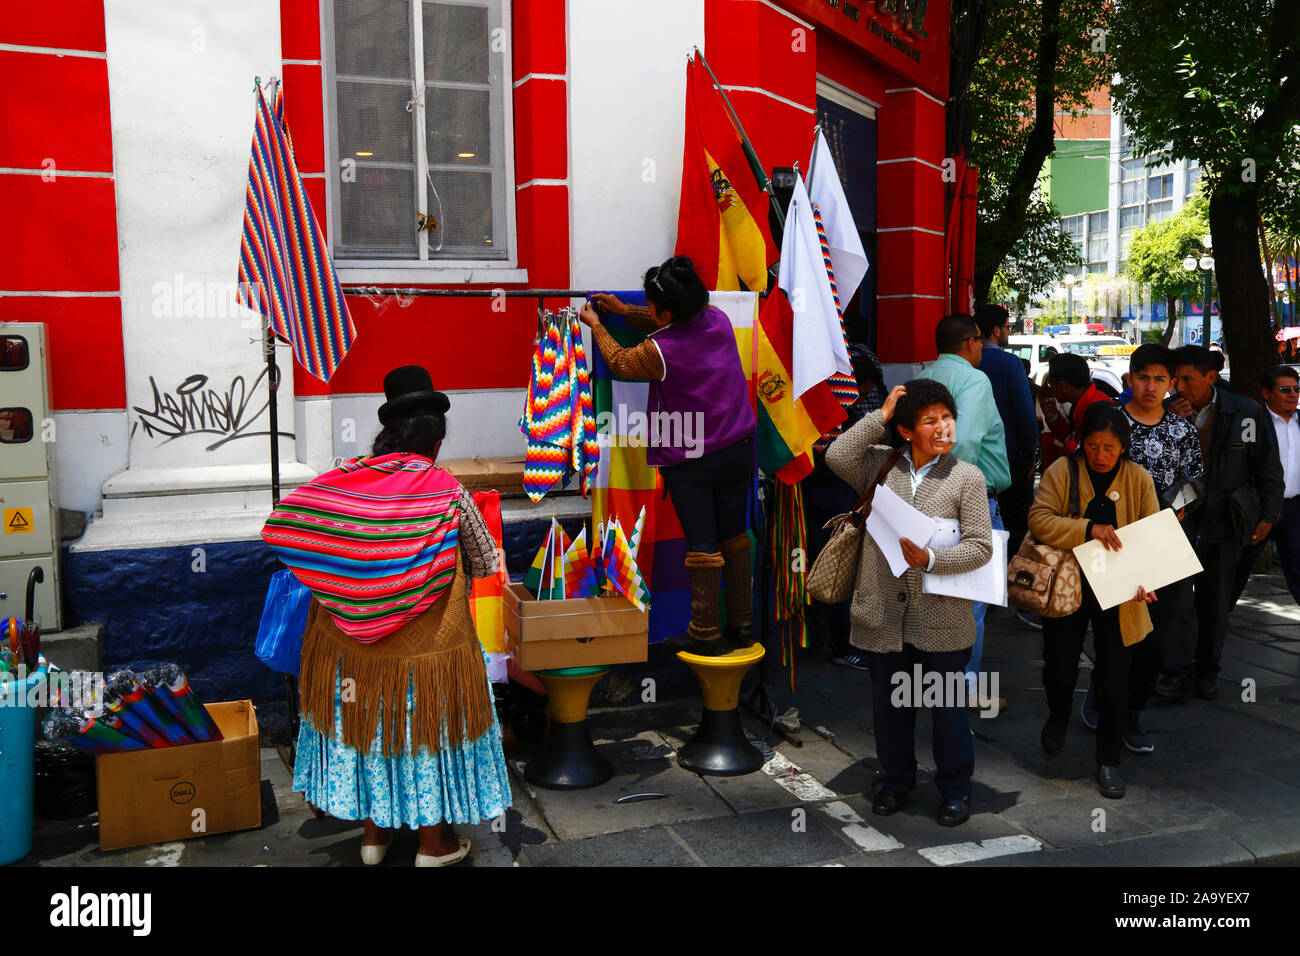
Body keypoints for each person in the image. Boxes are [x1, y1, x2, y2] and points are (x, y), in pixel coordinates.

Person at [263, 366, 511, 866]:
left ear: (387, 436)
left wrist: (352, 582)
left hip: (353, 651)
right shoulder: (446, 490)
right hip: (428, 650)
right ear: (435, 442)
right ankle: (431, 845)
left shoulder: (344, 480)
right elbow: (485, 561)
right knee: (426, 735)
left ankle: (373, 840)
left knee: (371, 730)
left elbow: (285, 525)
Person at [826, 379, 993, 827]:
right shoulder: (881, 465)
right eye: (930, 420)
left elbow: (981, 547)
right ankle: (895, 781)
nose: (944, 427)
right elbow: (836, 455)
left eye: (947, 417)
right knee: (891, 706)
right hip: (884, 612)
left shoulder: (966, 477)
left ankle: (956, 790)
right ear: (906, 431)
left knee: (948, 709)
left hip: (942, 617)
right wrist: (879, 417)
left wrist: (933, 559)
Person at [583, 256, 757, 657]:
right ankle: (743, 625)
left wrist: (597, 326)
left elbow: (623, 362)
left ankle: (704, 631)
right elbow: (668, 322)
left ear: (666, 312)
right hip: (737, 448)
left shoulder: (662, 350)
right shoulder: (718, 319)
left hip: (692, 456)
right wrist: (627, 311)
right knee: (734, 537)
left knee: (702, 544)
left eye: (652, 306)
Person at [1029, 403, 1161, 799]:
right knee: (1059, 668)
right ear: (1081, 443)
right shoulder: (1062, 471)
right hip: (1068, 584)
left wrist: (1148, 579)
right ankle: (1057, 715)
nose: (1101, 456)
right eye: (1093, 446)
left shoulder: (1139, 478)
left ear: (1123, 448)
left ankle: (1108, 761)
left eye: (1109, 448)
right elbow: (1039, 519)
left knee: (1115, 678)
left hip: (1120, 590)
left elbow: (1152, 534)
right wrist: (1089, 529)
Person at [1088, 344, 1204, 752]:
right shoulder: (1112, 424)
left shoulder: (1181, 429)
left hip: (1166, 541)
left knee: (1158, 633)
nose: (1151, 387)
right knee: (1118, 632)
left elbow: (1196, 479)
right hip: (1116, 540)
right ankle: (1103, 699)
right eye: (1143, 378)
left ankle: (1132, 714)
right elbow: (1087, 472)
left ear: (1171, 384)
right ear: (1129, 379)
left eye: (1159, 380)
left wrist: (1179, 507)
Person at [1155, 345, 1285, 701]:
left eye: (1187, 379)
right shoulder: (1166, 414)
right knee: (1176, 600)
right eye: (1175, 380)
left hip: (1226, 518)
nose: (1179, 387)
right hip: (1180, 520)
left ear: (1211, 378)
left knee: (1215, 600)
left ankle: (1207, 670)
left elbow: (1268, 468)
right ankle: (1175, 670)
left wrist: (1268, 515)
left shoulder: (1244, 413)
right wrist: (1175, 424)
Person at [915, 315, 1010, 711]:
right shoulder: (975, 380)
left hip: (920, 495)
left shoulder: (921, 376)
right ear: (972, 343)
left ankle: (930, 682)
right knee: (971, 600)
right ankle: (962, 687)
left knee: (929, 594)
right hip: (968, 500)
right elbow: (964, 439)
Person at [804, 344, 885, 670]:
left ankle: (835, 639)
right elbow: (826, 465)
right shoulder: (835, 416)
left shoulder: (835, 413)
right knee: (836, 574)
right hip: (831, 507)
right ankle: (842, 644)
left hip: (834, 504)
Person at [1229, 366, 1300, 607]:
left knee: (1297, 564)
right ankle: (1217, 615)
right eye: (1285, 390)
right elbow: (1241, 461)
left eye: (1296, 389)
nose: (1292, 394)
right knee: (1239, 565)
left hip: (1294, 508)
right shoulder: (1252, 422)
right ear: (1267, 393)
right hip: (1258, 506)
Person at [975, 304, 1037, 563]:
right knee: (1015, 523)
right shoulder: (1009, 363)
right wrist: (1029, 453)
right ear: (997, 330)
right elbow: (1025, 414)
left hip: (972, 458)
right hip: (1009, 458)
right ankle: (1012, 579)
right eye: (1008, 327)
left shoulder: (971, 362)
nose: (1009, 332)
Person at [1042, 352, 1115, 456]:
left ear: (1062, 385)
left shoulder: (1098, 409)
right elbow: (1068, 438)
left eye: (1050, 384)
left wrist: (1072, 447)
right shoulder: (1083, 403)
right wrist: (1054, 417)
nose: (1050, 389)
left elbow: (1100, 456)